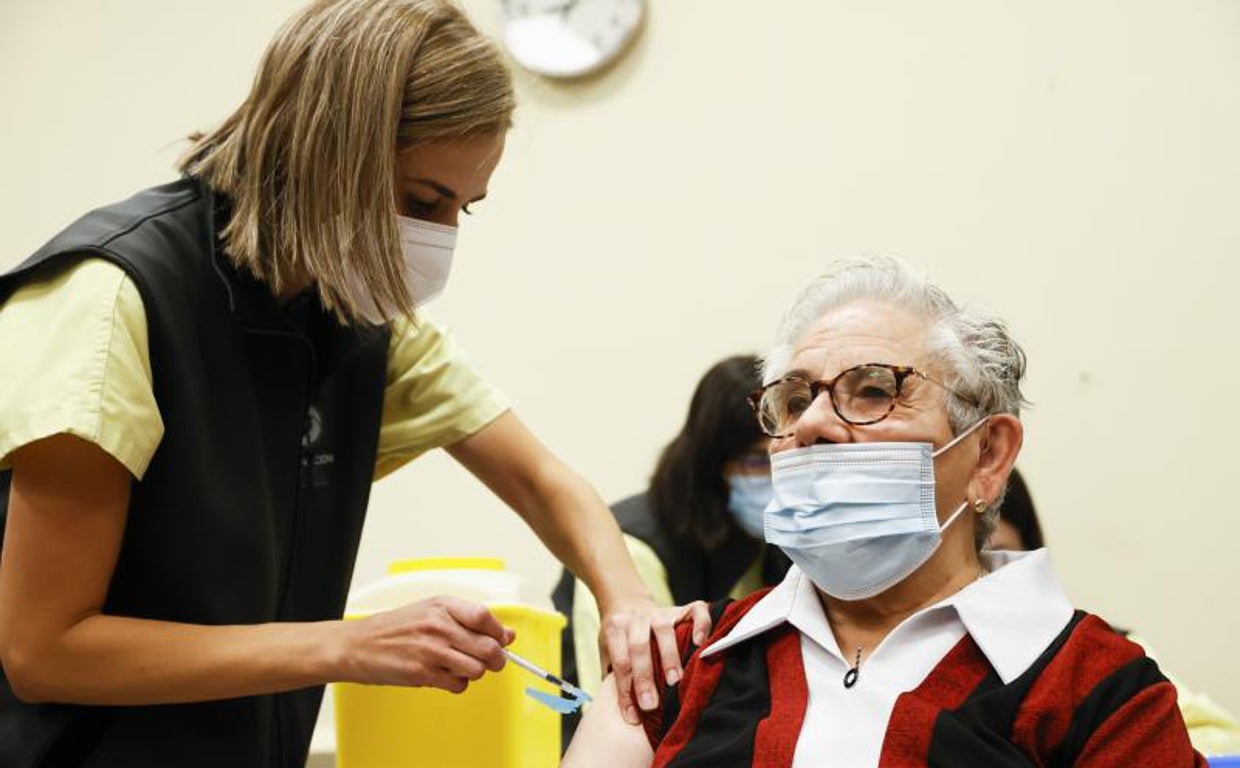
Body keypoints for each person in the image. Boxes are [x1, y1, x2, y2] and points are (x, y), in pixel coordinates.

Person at [0, 2, 706, 766]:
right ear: (325, 152)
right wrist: (351, 645)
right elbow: (44, 651)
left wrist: (626, 602)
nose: (441, 238)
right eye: (423, 202)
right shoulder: (113, 300)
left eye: (462, 209)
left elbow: (541, 480)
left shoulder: (354, 320)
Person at [564, 256, 1204, 767]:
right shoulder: (679, 661)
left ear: (987, 455)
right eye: (794, 401)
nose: (812, 424)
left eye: (873, 390)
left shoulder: (1100, 693)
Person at [551, 355, 792, 746]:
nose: (775, 477)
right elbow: (628, 710)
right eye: (756, 460)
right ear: (714, 463)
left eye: (786, 456)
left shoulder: (772, 539)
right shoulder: (632, 549)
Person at [989, 468, 1240, 757]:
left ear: (1030, 548)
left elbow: (1222, 740)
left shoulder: (1103, 657)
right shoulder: (949, 666)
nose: (978, 581)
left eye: (997, 558)